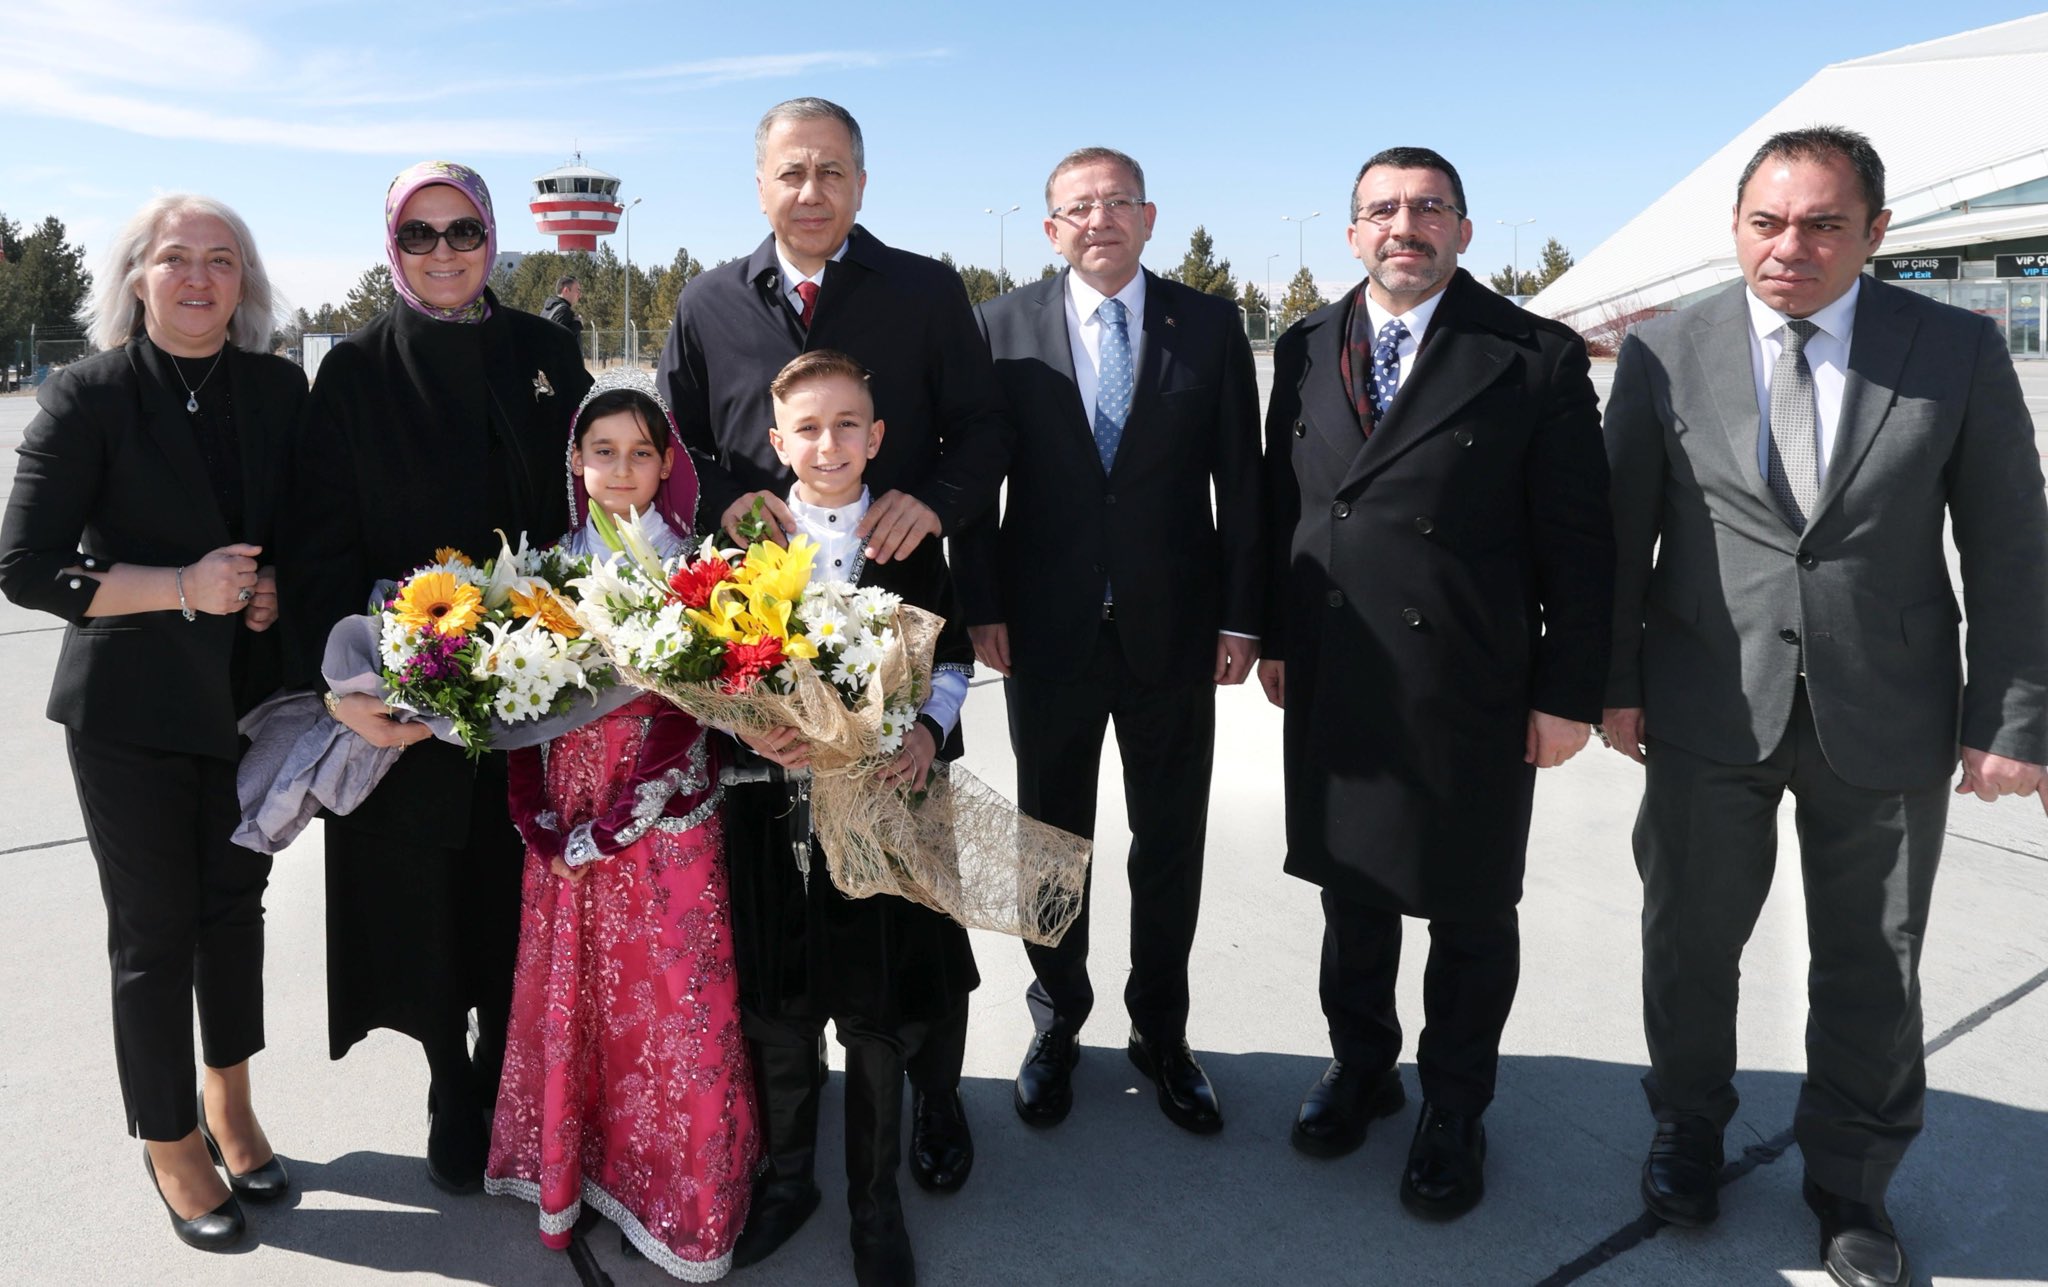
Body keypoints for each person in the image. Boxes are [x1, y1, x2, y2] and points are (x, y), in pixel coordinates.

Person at [1601, 125, 2048, 1287]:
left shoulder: (1952, 349)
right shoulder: (1662, 352)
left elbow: (2009, 546)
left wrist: (2010, 720)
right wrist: (1605, 687)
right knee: (1688, 942)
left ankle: (1848, 1184)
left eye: (1820, 224)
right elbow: (1615, 537)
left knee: (1871, 961)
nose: (1787, 247)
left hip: (1888, 713)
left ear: (1874, 233)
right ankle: (1684, 1131)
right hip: (1704, 706)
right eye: (1765, 222)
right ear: (1736, 226)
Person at [655, 95, 1008, 1216]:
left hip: (899, 664)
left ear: (862, 182)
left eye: (833, 172)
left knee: (913, 923)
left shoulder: (925, 288)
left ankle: (934, 1096)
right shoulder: (707, 303)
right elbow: (676, 454)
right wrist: (733, 507)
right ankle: (793, 1146)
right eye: (791, 172)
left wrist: (931, 503)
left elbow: (982, 430)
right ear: (758, 182)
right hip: (770, 690)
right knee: (788, 941)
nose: (812, 191)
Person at [1258, 146, 1613, 1220]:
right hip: (1332, 667)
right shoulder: (1307, 343)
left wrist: (1567, 694)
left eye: (1425, 208)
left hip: (1470, 681)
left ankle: (1453, 1106)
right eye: (1380, 210)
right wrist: (1276, 637)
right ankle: (1359, 1067)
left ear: (1462, 228)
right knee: (1349, 892)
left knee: (1466, 908)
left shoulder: (1530, 356)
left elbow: (1580, 545)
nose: (1400, 226)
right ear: (1350, 230)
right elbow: (1287, 503)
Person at [282, 160, 592, 1194]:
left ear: (493, 237)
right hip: (408, 680)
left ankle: (512, 1076)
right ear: (391, 247)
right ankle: (448, 1078)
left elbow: (596, 506)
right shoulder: (358, 370)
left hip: (539, 682)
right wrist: (358, 673)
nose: (446, 252)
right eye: (421, 235)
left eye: (462, 231)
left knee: (522, 891)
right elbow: (318, 536)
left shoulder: (548, 352)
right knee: (426, 898)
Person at [0, 195, 303, 1250]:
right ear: (137, 276)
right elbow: (25, 566)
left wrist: (267, 595)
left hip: (248, 701)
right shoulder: (88, 394)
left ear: (244, 281)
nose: (199, 278)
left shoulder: (274, 385)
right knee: (154, 929)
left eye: (223, 259)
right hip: (129, 709)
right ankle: (169, 1139)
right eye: (176, 259)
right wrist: (180, 584)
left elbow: (284, 538)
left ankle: (230, 1102)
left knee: (234, 908)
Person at [954, 146, 1261, 1135]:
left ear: (1148, 215)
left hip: (1176, 632)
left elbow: (1241, 485)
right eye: (1077, 207)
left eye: (1116, 202)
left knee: (1167, 842)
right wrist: (981, 604)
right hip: (1044, 634)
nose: (1098, 220)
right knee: (1052, 841)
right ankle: (1056, 1024)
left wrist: (1240, 615)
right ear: (1050, 228)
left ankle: (1162, 1034)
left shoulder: (1208, 327)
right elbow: (979, 484)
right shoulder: (999, 328)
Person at [485, 370, 759, 1278]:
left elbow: (688, 711)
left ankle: (681, 1194)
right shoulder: (542, 568)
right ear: (575, 458)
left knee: (671, 1002)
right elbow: (512, 703)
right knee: (582, 998)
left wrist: (621, 819)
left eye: (642, 452)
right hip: (569, 816)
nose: (622, 468)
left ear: (667, 462)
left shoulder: (696, 567)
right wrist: (539, 819)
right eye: (603, 451)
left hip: (663, 818)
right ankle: (579, 1170)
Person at [729, 349, 976, 1287]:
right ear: (774, 441)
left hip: (882, 809)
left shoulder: (909, 538)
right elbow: (724, 667)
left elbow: (948, 659)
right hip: (776, 815)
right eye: (807, 427)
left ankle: (876, 1201)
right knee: (781, 1009)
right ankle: (790, 1182)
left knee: (877, 1011)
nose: (826, 444)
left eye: (846, 426)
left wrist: (923, 733)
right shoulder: (752, 546)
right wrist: (759, 729)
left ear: (875, 437)